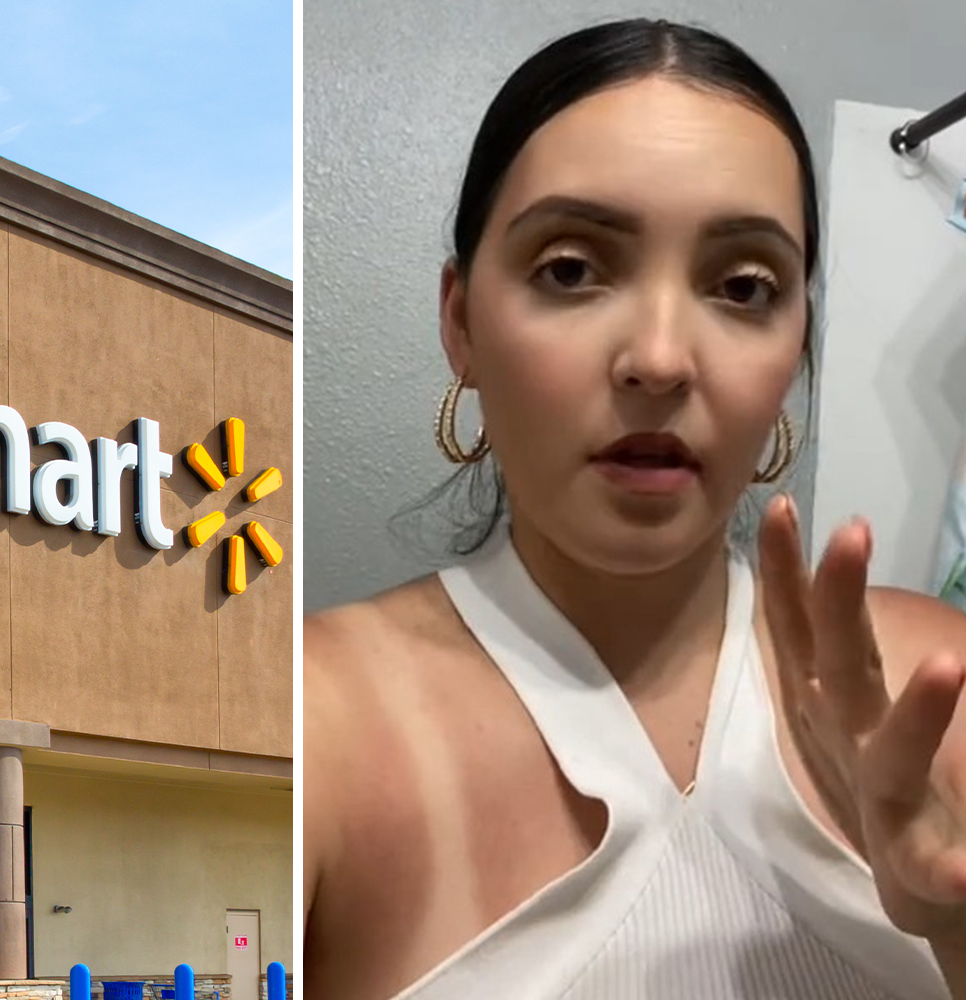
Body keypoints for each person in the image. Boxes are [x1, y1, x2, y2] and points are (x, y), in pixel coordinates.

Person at [304, 19, 966, 1000]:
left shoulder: (933, 690)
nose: (658, 357)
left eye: (742, 287)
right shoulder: (321, 720)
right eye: (568, 268)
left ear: (794, 355)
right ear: (460, 325)